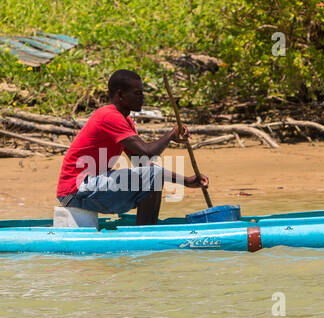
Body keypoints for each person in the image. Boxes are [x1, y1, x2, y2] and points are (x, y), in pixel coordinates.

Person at [56, 69, 209, 225]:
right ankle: (146, 232)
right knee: (152, 175)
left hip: (89, 188)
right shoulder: (109, 116)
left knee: (151, 175)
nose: (142, 98)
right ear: (120, 95)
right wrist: (171, 135)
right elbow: (148, 153)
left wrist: (187, 181)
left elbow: (143, 163)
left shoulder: (125, 121)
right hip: (73, 192)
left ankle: (147, 229)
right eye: (137, 93)